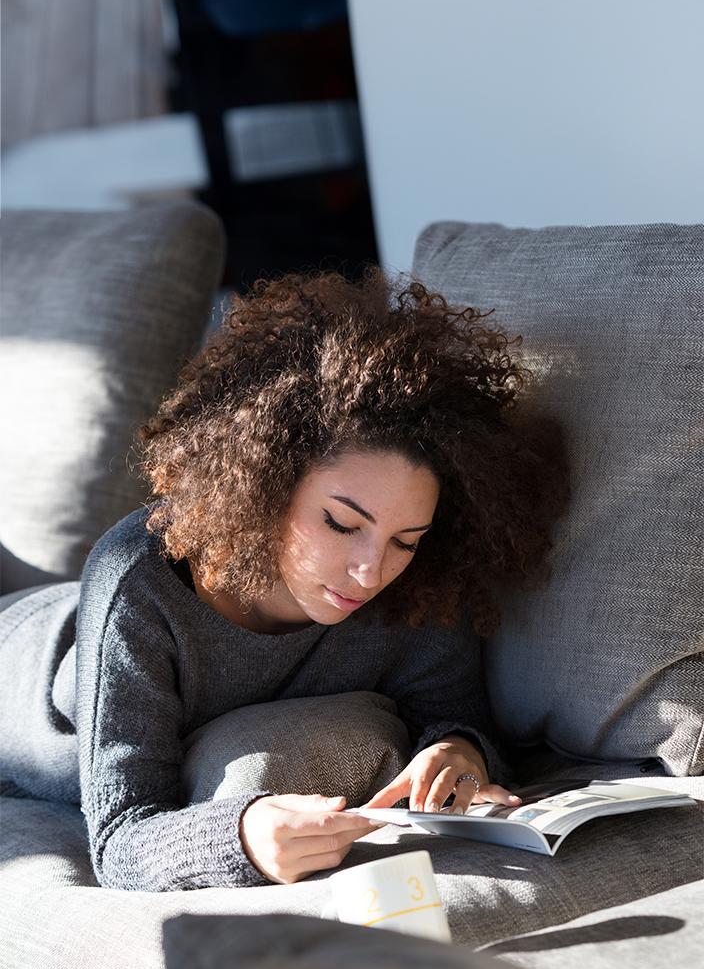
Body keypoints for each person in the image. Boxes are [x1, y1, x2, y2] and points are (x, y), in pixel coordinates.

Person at [0, 267, 569, 890]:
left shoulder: (417, 581)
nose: (371, 570)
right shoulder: (141, 579)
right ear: (264, 486)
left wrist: (458, 750)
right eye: (341, 523)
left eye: (406, 540)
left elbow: (458, 717)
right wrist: (242, 837)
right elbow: (120, 840)